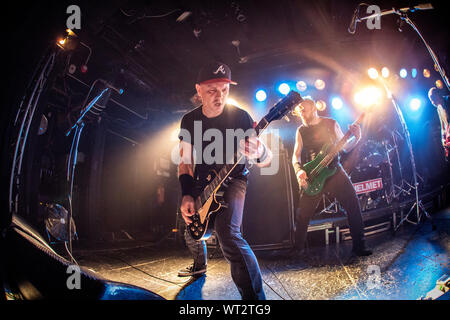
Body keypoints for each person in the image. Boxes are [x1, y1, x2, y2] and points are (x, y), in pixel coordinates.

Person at [177, 61, 272, 300]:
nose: (219, 96)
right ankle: (199, 265)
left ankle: (255, 301)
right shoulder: (189, 120)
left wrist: (258, 151)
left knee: (228, 234)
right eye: (212, 91)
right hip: (202, 182)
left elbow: (266, 159)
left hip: (234, 180)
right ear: (198, 90)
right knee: (191, 230)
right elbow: (185, 161)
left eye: (224, 90)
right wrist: (187, 193)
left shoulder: (241, 117)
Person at [291, 98, 372, 256]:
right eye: (298, 109)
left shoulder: (331, 123)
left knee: (353, 206)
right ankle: (297, 250)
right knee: (303, 215)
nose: (300, 110)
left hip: (334, 171)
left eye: (303, 108)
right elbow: (296, 155)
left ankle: (360, 246)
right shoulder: (300, 130)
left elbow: (346, 146)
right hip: (313, 175)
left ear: (314, 107)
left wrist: (357, 137)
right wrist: (298, 170)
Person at [428, 86, 450, 160]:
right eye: (431, 100)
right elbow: (443, 126)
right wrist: (443, 139)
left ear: (437, 94)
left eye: (433, 98)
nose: (432, 102)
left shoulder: (448, 100)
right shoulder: (439, 109)